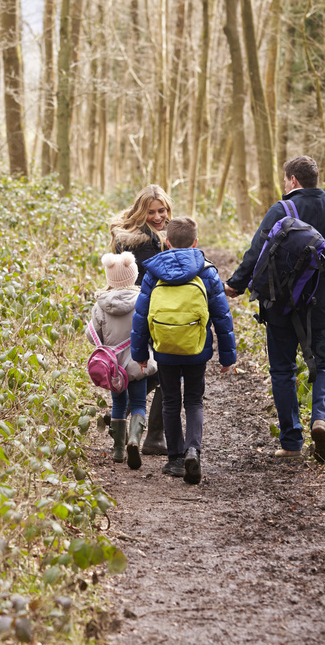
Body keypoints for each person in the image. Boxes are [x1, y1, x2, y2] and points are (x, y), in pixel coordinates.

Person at [224, 156, 325, 462]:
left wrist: (236, 284)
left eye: (285, 180)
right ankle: (321, 421)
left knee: (282, 370)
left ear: (293, 181)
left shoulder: (280, 210)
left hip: (280, 307)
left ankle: (290, 443)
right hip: (322, 308)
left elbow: (256, 252)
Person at [131, 216, 237, 484]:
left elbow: (141, 316)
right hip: (196, 347)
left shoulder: (154, 271)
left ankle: (175, 458)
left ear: (166, 242)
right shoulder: (207, 271)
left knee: (169, 400)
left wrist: (140, 355)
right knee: (193, 399)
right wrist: (227, 356)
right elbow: (222, 317)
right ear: (195, 242)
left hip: (164, 348)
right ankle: (193, 450)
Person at [106, 184, 173, 455]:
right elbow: (156, 279)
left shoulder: (131, 237)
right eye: (151, 212)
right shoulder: (147, 242)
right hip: (148, 311)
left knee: (141, 369)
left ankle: (127, 427)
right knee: (166, 371)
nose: (158, 216)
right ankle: (154, 435)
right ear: (140, 212)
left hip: (132, 312)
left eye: (162, 210)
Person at [87, 252, 158, 463]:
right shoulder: (142, 301)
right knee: (138, 403)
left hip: (113, 366)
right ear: (133, 275)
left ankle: (118, 450)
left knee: (118, 404)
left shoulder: (100, 304)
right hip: (138, 361)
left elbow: (92, 335)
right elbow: (150, 329)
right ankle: (134, 440)